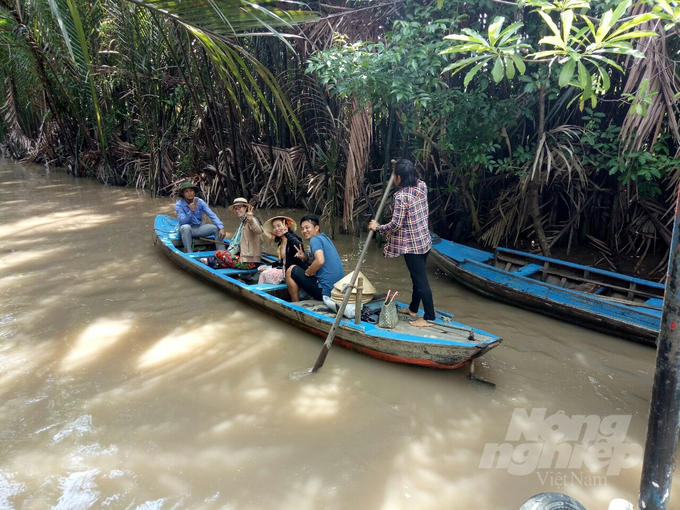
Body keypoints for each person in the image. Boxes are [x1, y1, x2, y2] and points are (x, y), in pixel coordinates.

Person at [368, 159, 434, 327]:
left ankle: (429, 317)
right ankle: (413, 309)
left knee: (421, 281)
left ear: (398, 177)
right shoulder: (422, 186)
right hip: (424, 241)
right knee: (416, 277)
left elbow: (395, 225)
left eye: (394, 175)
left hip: (413, 246)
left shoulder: (401, 197)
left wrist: (378, 227)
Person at [286, 215, 344, 302]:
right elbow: (321, 261)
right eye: (302, 229)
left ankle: (295, 303)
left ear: (316, 228)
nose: (304, 231)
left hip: (325, 292)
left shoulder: (315, 240)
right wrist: (305, 258)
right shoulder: (325, 238)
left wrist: (308, 272)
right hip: (337, 290)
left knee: (290, 270)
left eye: (307, 227)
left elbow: (320, 261)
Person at [213, 197, 263, 269]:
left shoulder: (251, 220)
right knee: (222, 256)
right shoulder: (243, 222)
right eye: (235, 209)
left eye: (239, 208)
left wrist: (250, 220)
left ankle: (213, 263)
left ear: (246, 208)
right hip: (244, 258)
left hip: (249, 262)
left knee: (218, 253)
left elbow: (258, 231)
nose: (237, 210)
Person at [175, 181, 225, 253]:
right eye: (186, 191)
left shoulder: (200, 201)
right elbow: (182, 222)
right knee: (186, 227)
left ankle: (222, 254)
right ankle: (189, 253)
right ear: (183, 194)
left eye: (191, 190)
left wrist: (221, 227)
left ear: (194, 192)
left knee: (217, 228)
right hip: (185, 230)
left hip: (198, 228)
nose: (189, 193)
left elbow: (211, 214)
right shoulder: (179, 205)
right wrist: (190, 211)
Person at [258, 216, 308, 284]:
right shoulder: (281, 242)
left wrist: (287, 234)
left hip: (293, 272)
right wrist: (267, 266)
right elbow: (281, 262)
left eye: (278, 226)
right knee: (263, 269)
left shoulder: (292, 237)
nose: (276, 229)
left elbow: (299, 245)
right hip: (283, 269)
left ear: (287, 225)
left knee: (264, 274)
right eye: (274, 227)